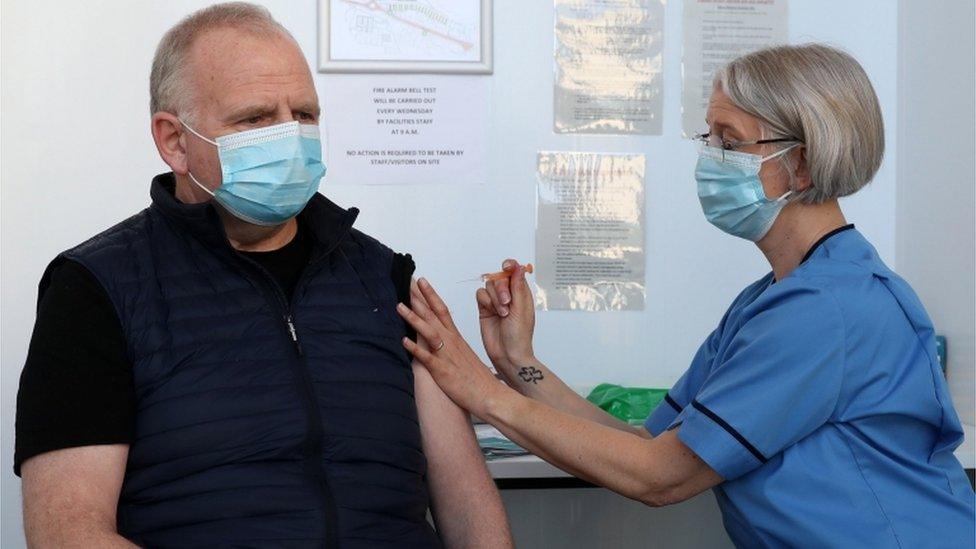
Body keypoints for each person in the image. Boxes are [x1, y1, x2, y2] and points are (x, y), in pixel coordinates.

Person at [396, 44, 976, 547]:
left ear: (801, 162)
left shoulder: (827, 308)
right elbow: (644, 445)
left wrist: (483, 393)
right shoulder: (772, 298)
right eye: (710, 137)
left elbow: (661, 478)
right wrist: (517, 362)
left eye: (731, 142)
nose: (710, 160)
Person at [14, 3, 511, 547]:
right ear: (175, 141)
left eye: (303, 114)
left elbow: (466, 501)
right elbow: (67, 533)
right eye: (254, 119)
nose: (289, 138)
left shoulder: (382, 277)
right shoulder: (95, 289)